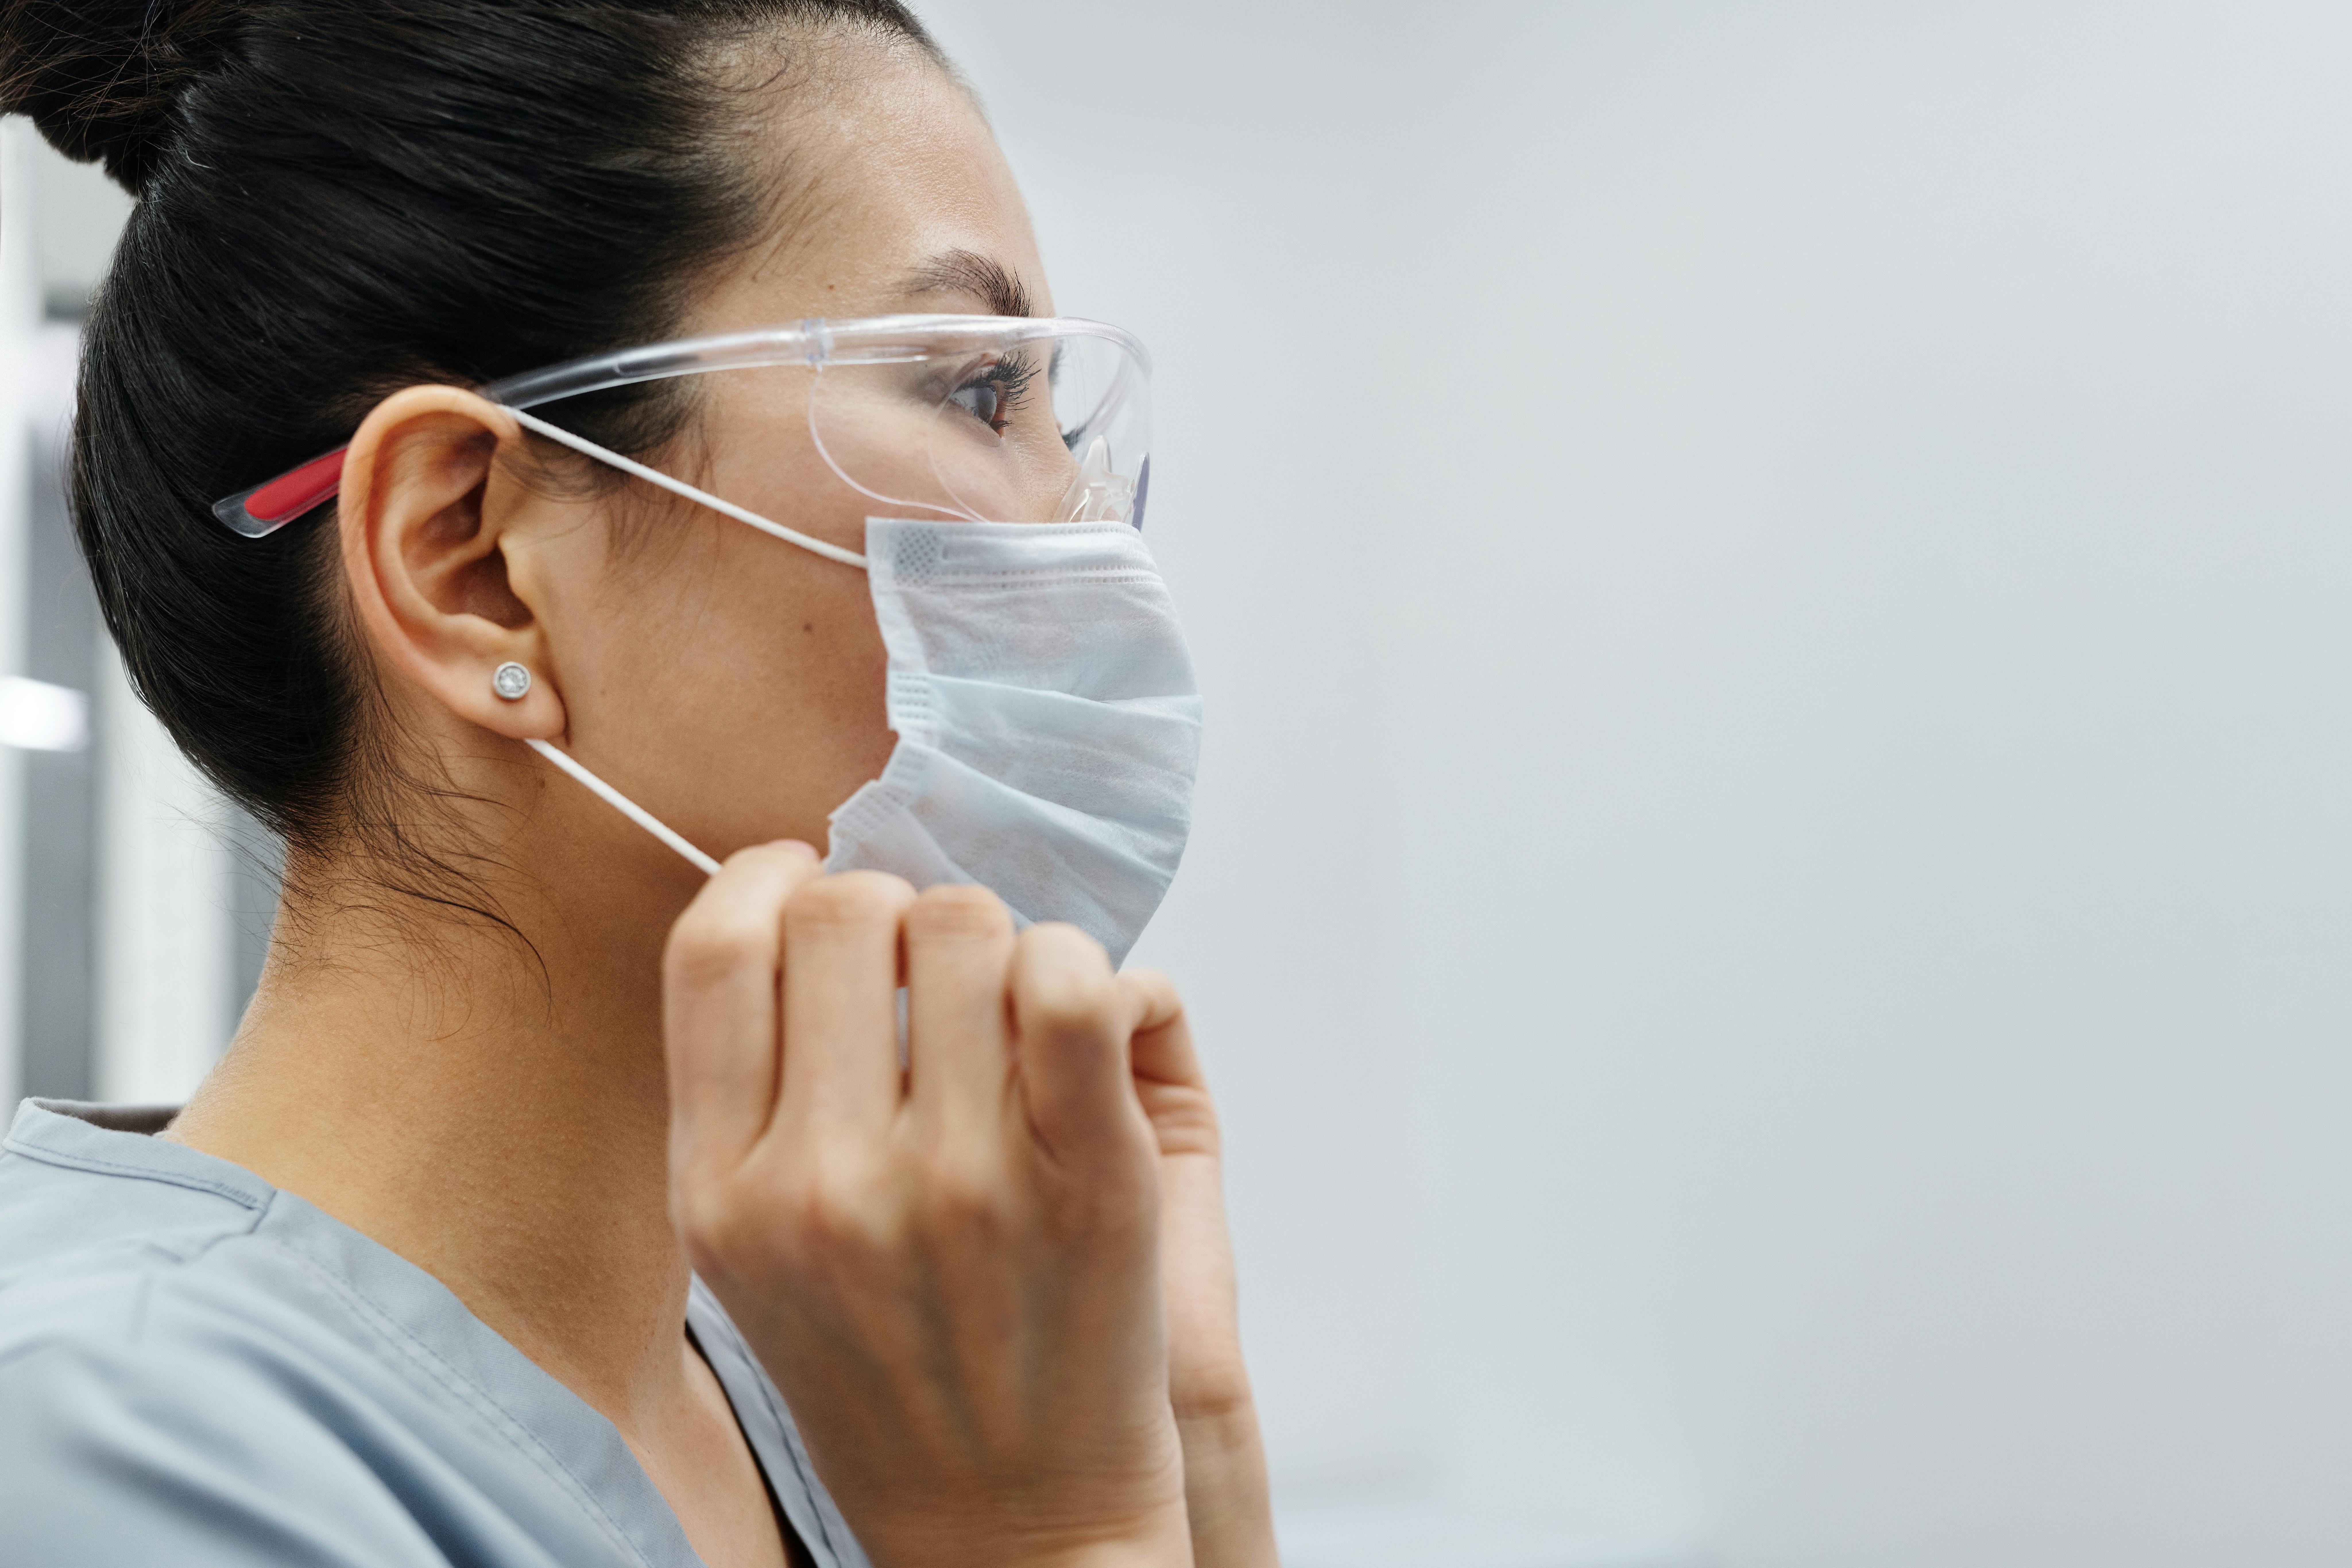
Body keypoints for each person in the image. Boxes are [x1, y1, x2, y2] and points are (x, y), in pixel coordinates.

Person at [0, 4, 1272, 1567]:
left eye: (1055, 415)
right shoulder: (102, 1462)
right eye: (969, 385)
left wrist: (1188, 1445)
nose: (1083, 525)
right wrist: (1049, 1535)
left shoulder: (816, 1367)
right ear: (474, 561)